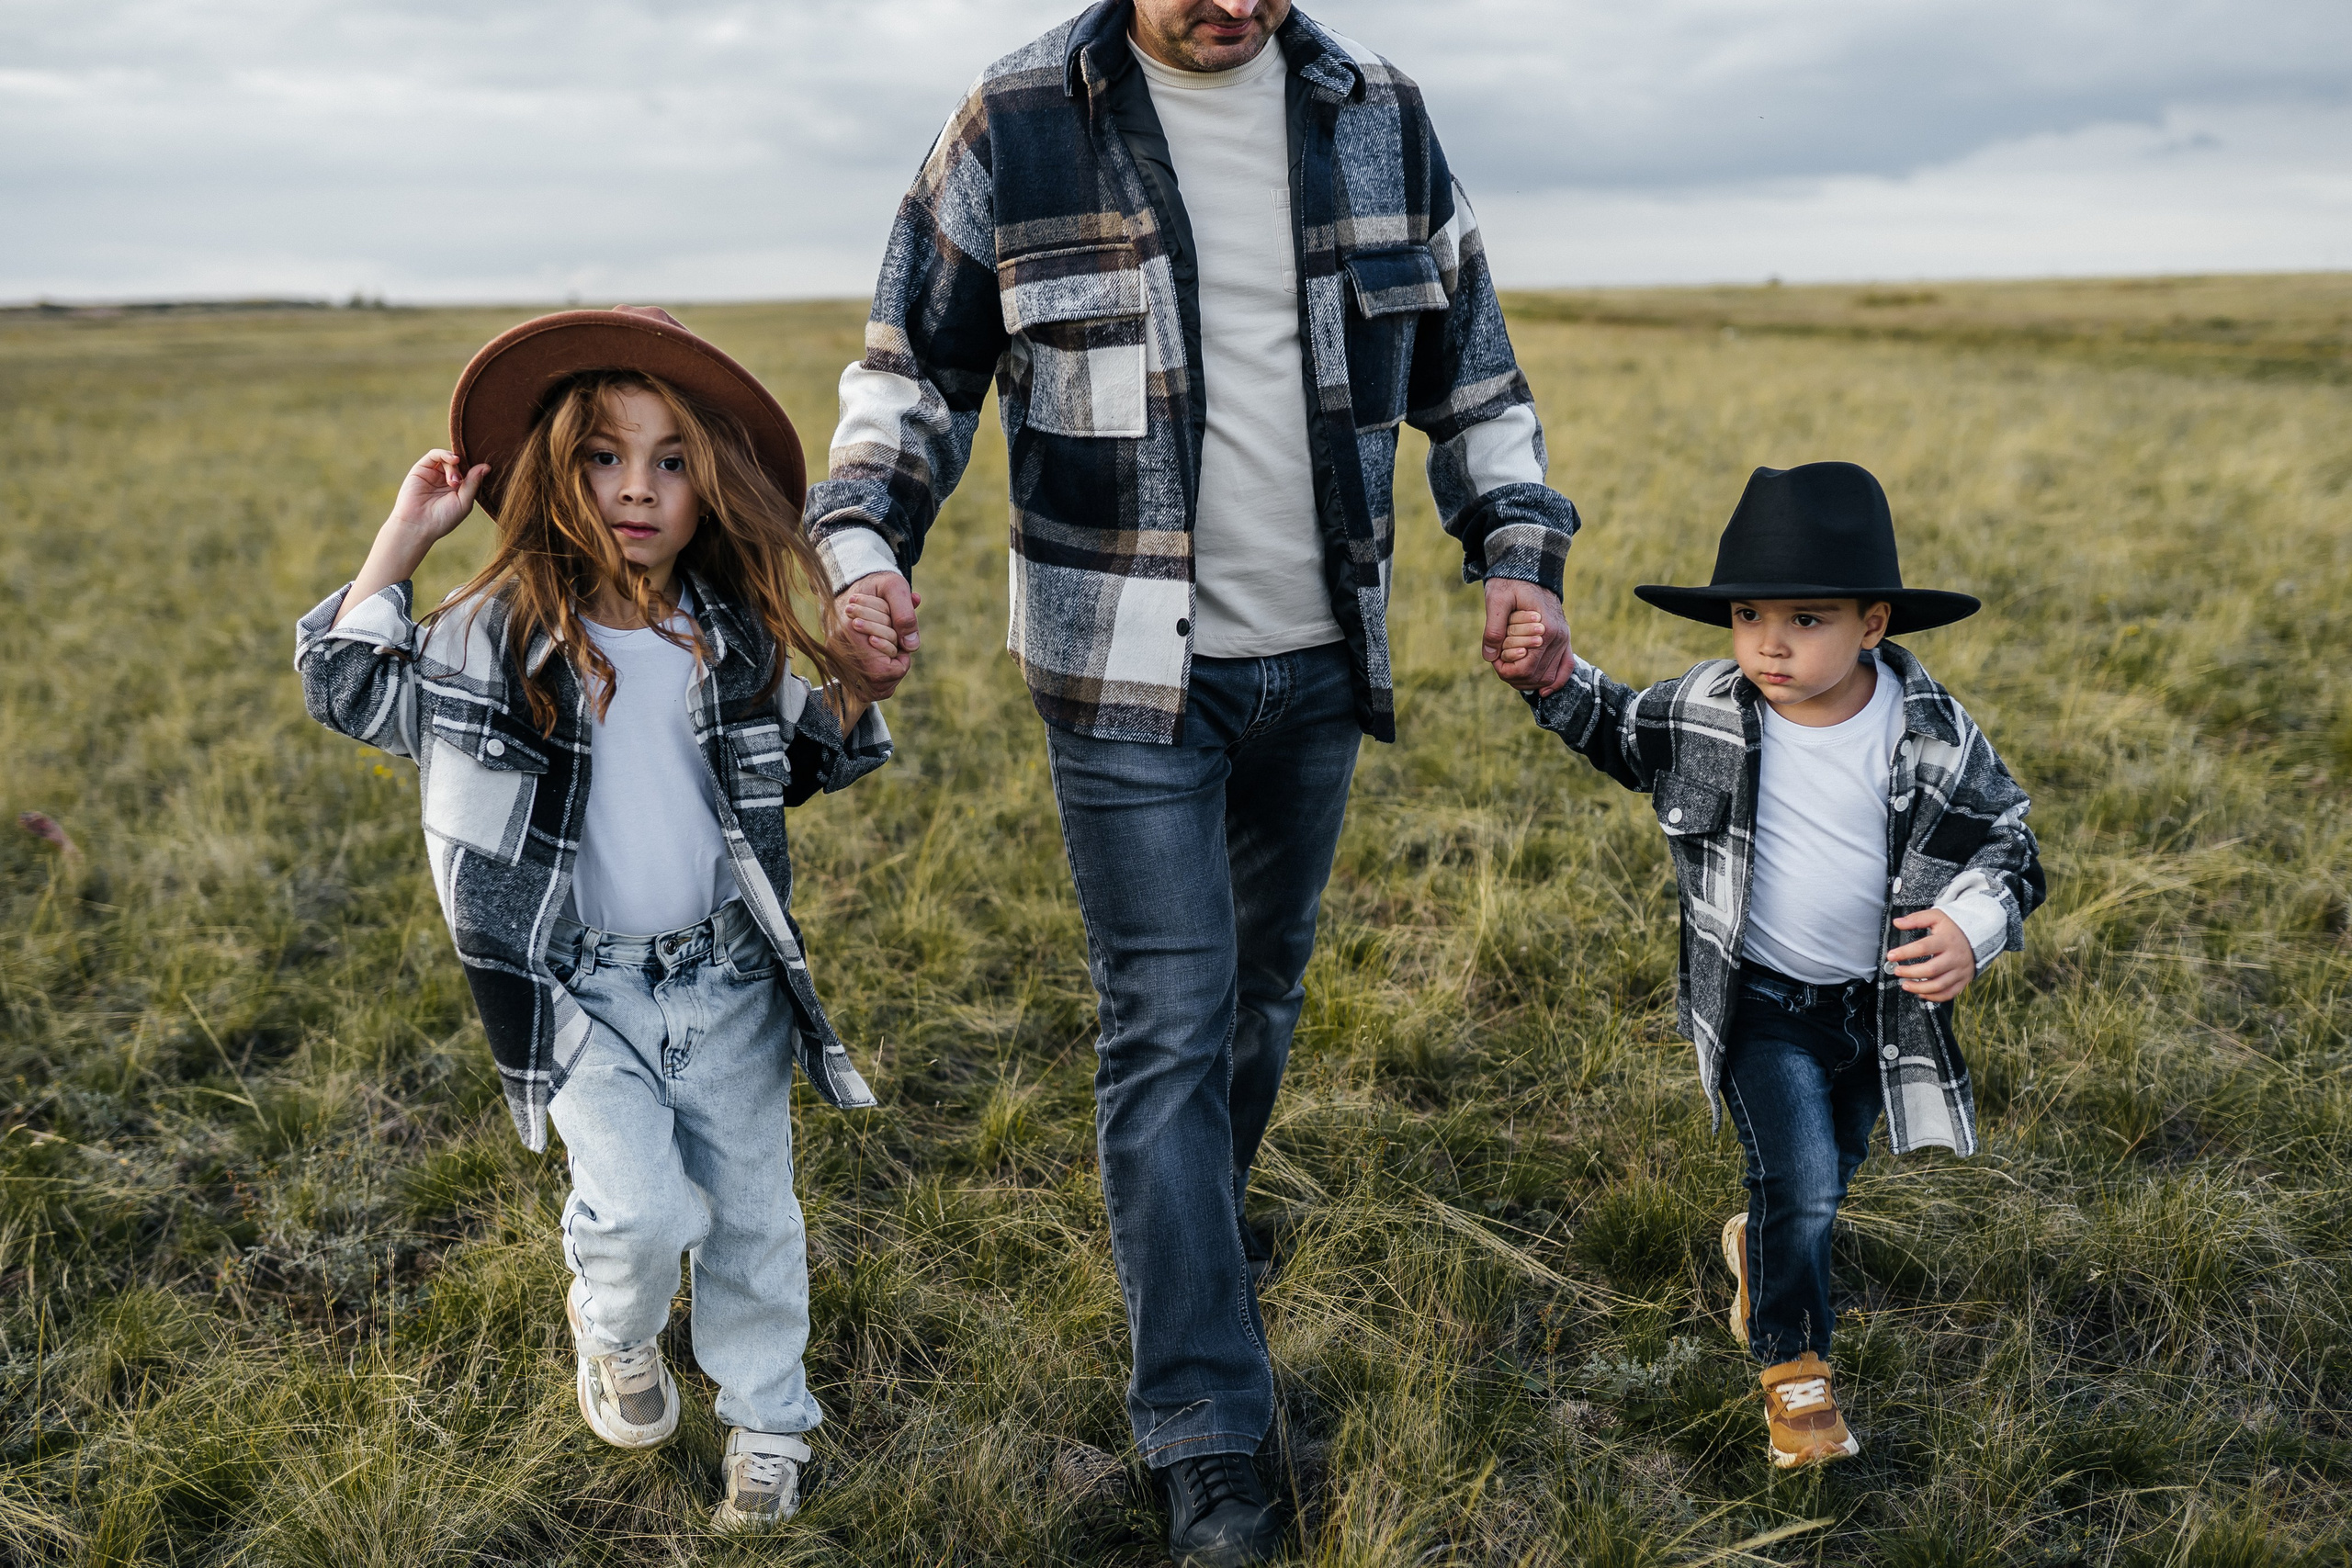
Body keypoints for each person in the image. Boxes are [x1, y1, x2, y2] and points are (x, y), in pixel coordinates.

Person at [807, 0, 1580, 1557]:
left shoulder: (1378, 111)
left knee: (1262, 992)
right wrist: (864, 545)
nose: (1224, 3)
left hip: (1314, 661)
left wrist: (1519, 554)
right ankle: (1208, 1426)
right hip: (1116, 673)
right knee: (1166, 1015)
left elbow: (1475, 375)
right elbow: (913, 376)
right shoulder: (1016, 122)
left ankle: (1193, 1245)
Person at [292, 307, 905, 1529]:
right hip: (577, 990)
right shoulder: (494, 631)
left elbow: (807, 757)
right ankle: (612, 1321)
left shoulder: (726, 634)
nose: (639, 489)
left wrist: (857, 679)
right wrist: (402, 539)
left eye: (672, 460)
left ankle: (768, 1420)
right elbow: (351, 687)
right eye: (605, 457)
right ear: (556, 474)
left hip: (727, 980)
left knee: (749, 1217)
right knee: (639, 1207)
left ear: (710, 482)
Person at [1504, 461, 2044, 1469]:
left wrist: (1972, 924)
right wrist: (1550, 678)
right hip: (1756, 999)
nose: (1770, 643)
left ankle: (1760, 1252)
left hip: (1874, 1012)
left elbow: (2006, 840)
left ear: (1873, 625)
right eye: (1749, 615)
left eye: (1807, 618)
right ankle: (1795, 1376)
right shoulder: (1708, 707)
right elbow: (1619, 730)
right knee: (1799, 1183)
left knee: (1824, 1179)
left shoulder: (1929, 730)